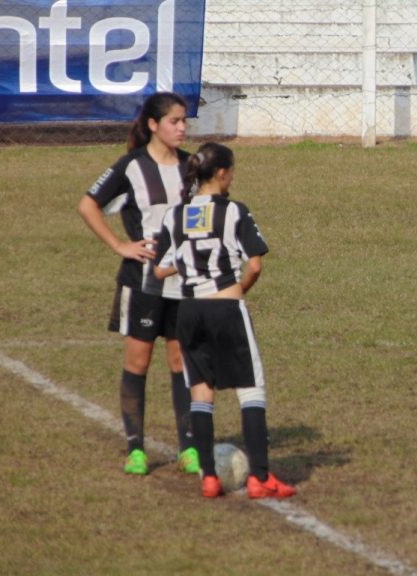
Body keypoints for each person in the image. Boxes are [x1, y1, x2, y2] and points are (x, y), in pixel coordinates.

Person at [153, 142, 296, 499]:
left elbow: (159, 268)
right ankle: (260, 478)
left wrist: (187, 265)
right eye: (231, 170)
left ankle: (209, 478)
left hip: (189, 310)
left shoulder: (175, 215)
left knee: (201, 394)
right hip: (225, 308)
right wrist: (239, 289)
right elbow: (255, 264)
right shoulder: (234, 211)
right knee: (252, 391)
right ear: (221, 173)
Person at [77, 92, 199, 476]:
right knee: (139, 362)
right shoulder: (131, 167)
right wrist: (120, 246)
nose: (182, 128)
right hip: (142, 282)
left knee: (181, 361)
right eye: (174, 121)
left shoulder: (191, 166)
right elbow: (88, 204)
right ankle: (136, 449)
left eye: (184, 121)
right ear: (152, 124)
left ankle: (189, 448)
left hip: (184, 282)